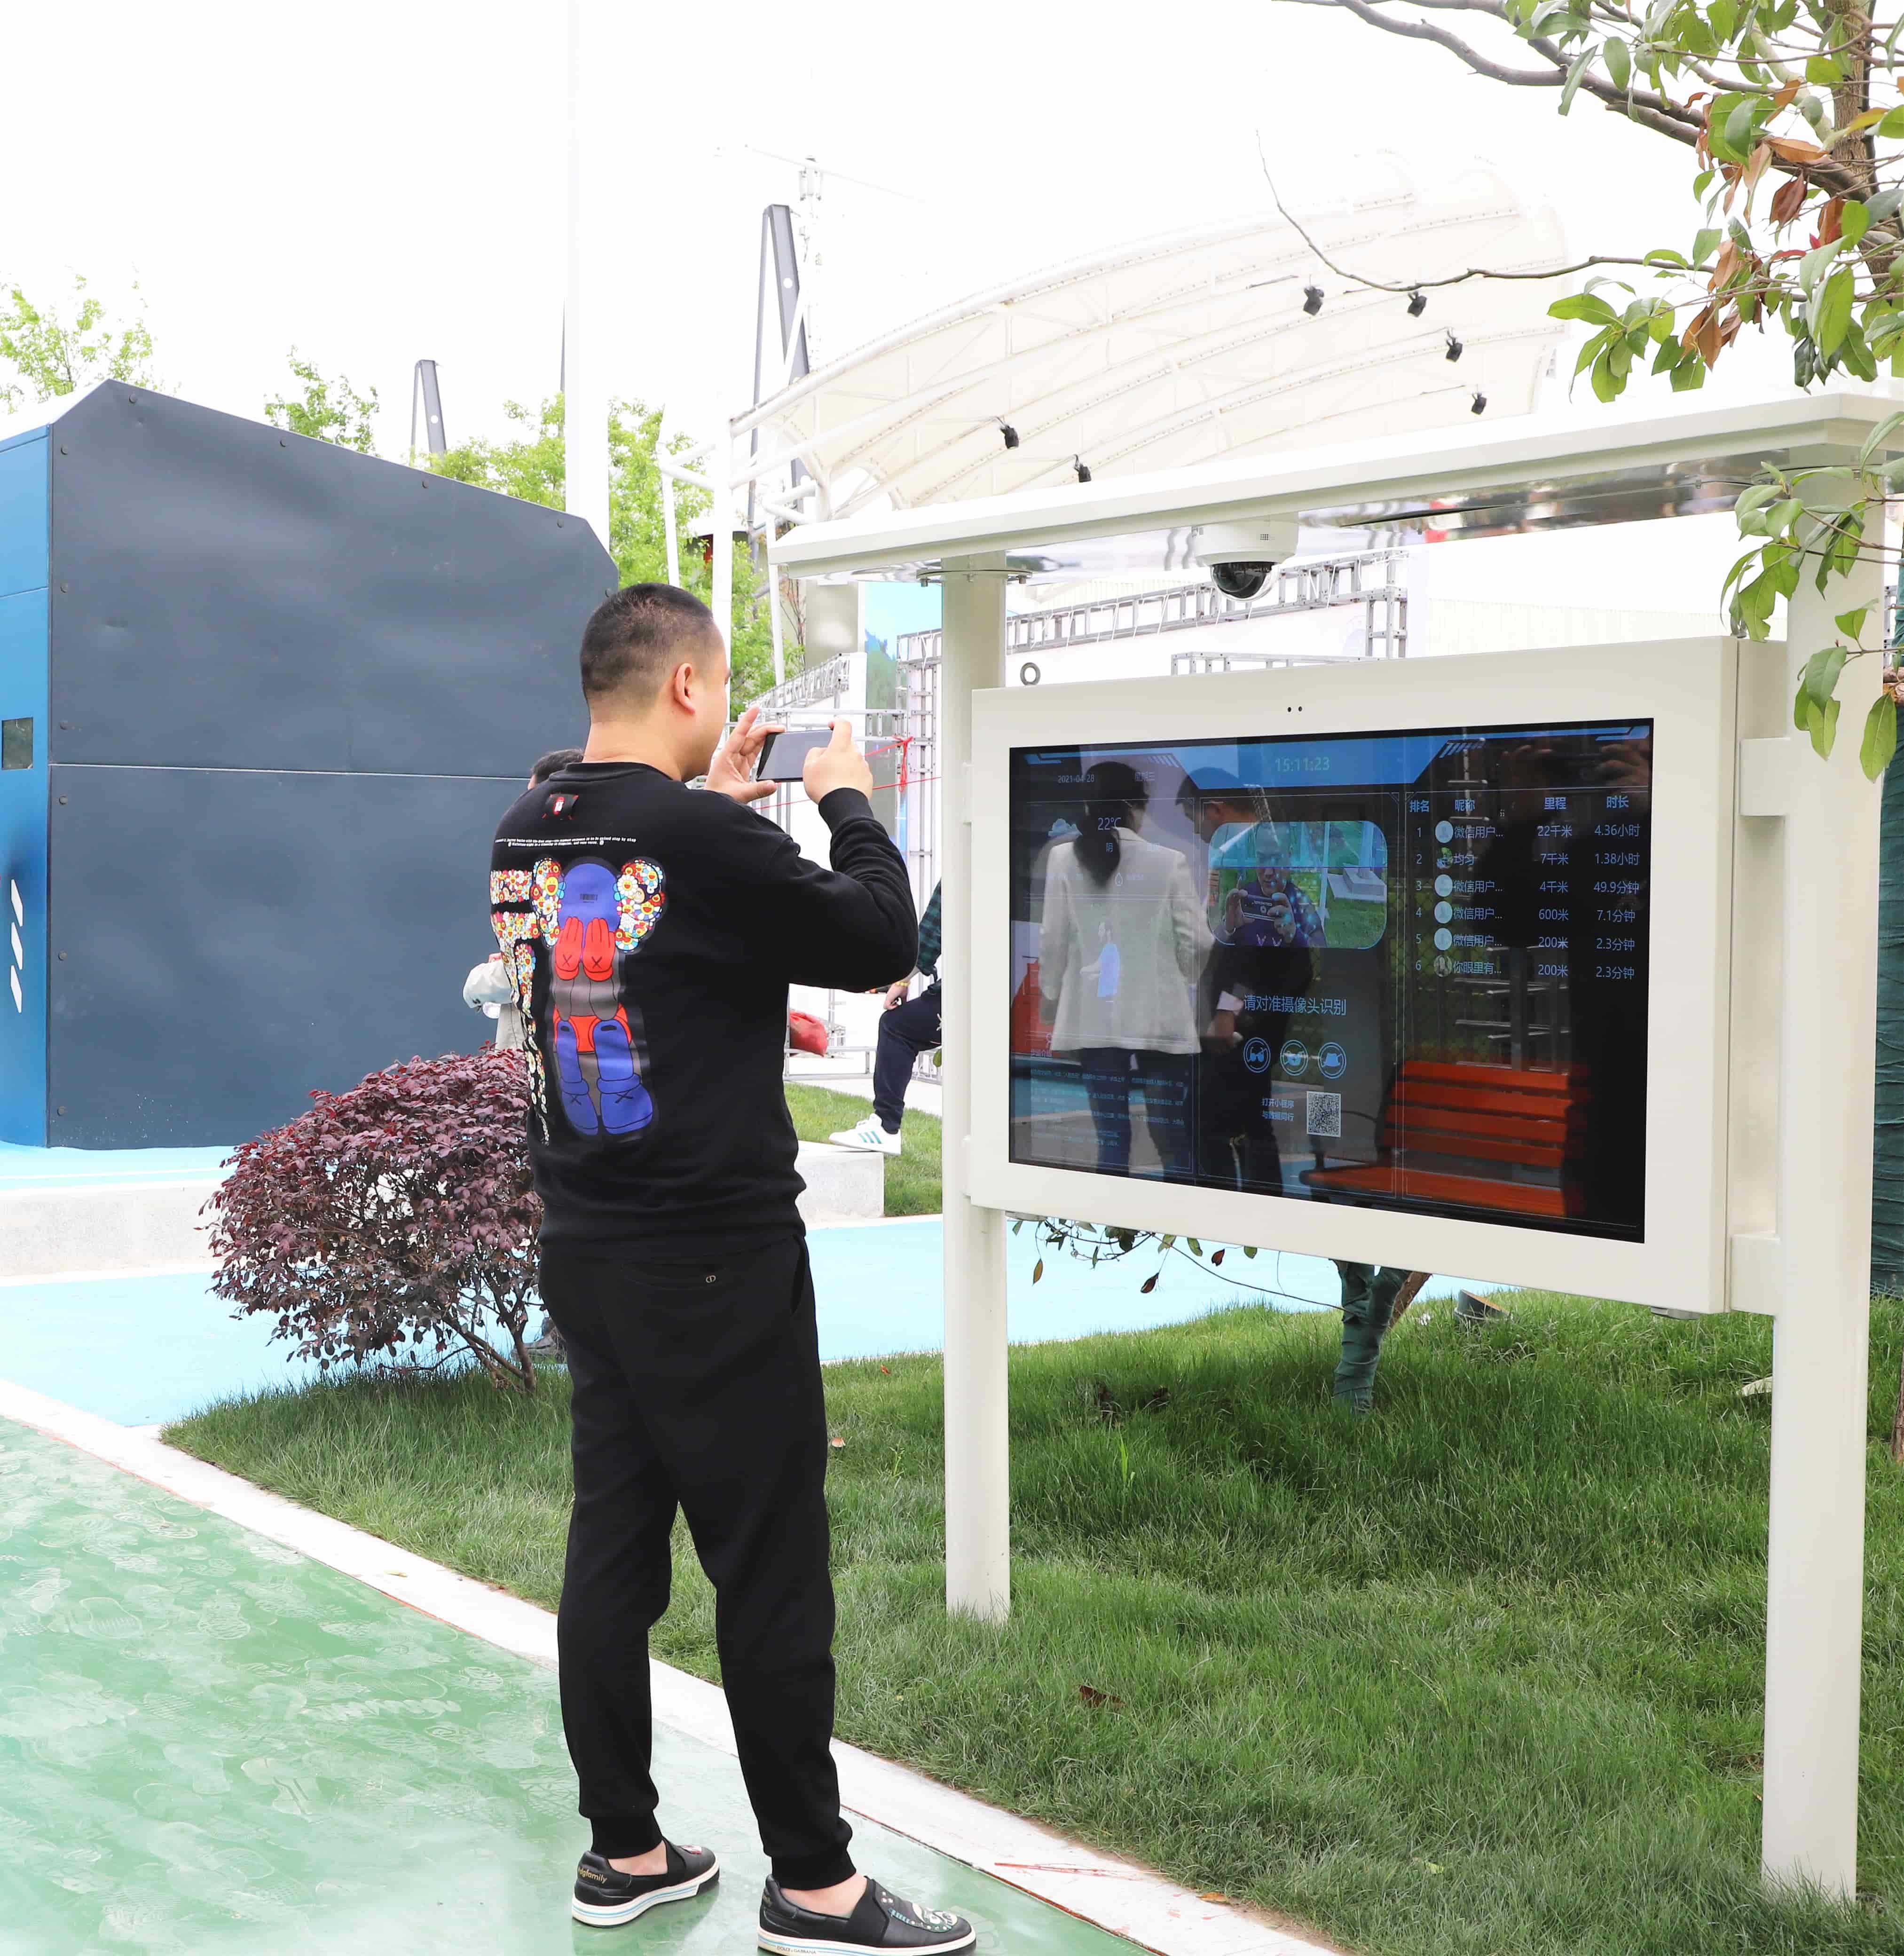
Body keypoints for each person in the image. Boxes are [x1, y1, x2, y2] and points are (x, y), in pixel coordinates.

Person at [489, 584, 973, 1953]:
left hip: (586, 1246)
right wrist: (844, 798)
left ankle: (625, 1851)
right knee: (768, 1569)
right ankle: (816, 1886)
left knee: (613, 1546)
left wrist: (715, 805)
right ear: (690, 688)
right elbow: (879, 939)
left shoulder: (528, 823)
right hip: (712, 1255)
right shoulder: (703, 838)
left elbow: (652, 908)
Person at [1039, 761, 1205, 1179]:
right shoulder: (1170, 862)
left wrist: (1051, 995)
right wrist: (1183, 976)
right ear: (1137, 806)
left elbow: (1054, 939)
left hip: (1095, 1015)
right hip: (1160, 1015)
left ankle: (1110, 1213)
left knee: (1111, 1138)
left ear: (1088, 805)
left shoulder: (1063, 859)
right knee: (1173, 1139)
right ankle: (1177, 1211)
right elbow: (1197, 942)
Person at [465, 748, 584, 1049]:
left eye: (531, 796)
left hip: (541, 1054)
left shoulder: (555, 870)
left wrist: (478, 983)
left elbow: (542, 965)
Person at [830, 882, 940, 1156]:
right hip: (1023, 991)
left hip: (973, 993)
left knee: (897, 1027)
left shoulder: (963, 868)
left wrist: (902, 980)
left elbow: (933, 930)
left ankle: (886, 1127)